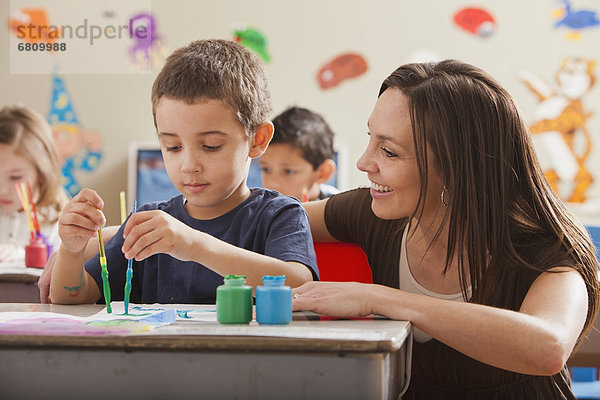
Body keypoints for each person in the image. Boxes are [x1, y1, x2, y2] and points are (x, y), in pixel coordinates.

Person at [292, 60, 600, 399]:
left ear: (456, 170)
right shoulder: (370, 212)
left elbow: (548, 347)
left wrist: (377, 298)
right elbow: (276, 222)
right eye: (371, 139)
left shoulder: (548, 250)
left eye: (389, 152)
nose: (364, 163)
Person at [49, 39, 318, 305]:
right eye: (173, 146)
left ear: (257, 139)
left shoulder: (279, 215)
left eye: (211, 146)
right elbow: (71, 296)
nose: (189, 165)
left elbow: (299, 286)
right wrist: (71, 251)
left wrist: (195, 246)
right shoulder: (147, 225)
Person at [0, 105, 68, 262]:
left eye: (15, 177)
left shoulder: (60, 220)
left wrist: (19, 255)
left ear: (42, 173)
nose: (2, 190)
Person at [259, 106, 338, 202]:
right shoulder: (258, 210)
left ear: (323, 173)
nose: (272, 184)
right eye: (266, 169)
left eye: (288, 171)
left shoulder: (342, 212)